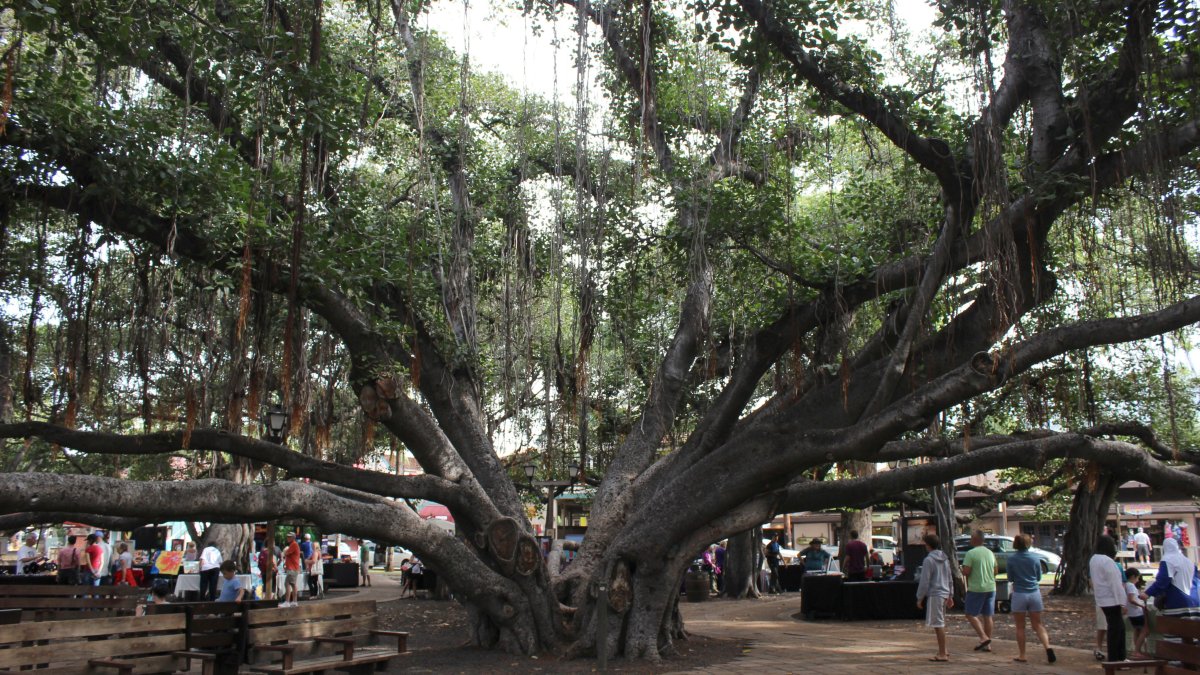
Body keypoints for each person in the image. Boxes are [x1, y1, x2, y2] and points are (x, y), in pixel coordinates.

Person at [1008, 534, 1055, 664]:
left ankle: (1022, 654)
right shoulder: (1035, 558)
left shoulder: (1012, 559)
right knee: (1038, 624)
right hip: (1034, 593)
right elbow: (1039, 577)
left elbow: (1010, 578)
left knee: (1020, 627)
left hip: (1019, 594)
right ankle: (1048, 647)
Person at [916, 533, 954, 663]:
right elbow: (949, 578)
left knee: (938, 624)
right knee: (940, 622)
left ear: (928, 545)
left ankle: (943, 652)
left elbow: (924, 580)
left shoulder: (928, 560)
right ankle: (943, 650)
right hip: (944, 593)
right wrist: (950, 594)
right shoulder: (945, 559)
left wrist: (920, 597)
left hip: (935, 593)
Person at [1090, 534, 1128, 662]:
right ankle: (1116, 658)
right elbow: (1115, 583)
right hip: (1112, 600)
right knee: (1117, 630)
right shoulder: (1107, 561)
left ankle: (1119, 657)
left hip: (1103, 599)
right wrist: (1123, 602)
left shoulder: (1094, 559)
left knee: (1116, 628)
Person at [1146, 536, 1200, 619]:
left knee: (1175, 630)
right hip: (1195, 603)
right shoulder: (1189, 562)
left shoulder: (1167, 560)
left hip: (1176, 603)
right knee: (1193, 630)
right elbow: (1197, 581)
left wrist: (1147, 593)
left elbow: (1162, 581)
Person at [960, 529, 996, 652]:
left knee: (970, 614)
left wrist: (962, 569)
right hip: (991, 587)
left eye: (971, 537)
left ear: (975, 539)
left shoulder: (971, 553)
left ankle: (983, 637)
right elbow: (995, 570)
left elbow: (966, 571)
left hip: (976, 588)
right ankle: (987, 643)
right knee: (988, 615)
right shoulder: (990, 553)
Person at [1126, 568, 1151, 658]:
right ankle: (1137, 650)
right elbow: (1131, 599)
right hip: (1137, 612)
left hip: (1131, 612)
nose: (1137, 580)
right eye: (1137, 578)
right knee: (1145, 631)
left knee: (1137, 630)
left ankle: (1137, 650)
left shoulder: (1126, 585)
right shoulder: (1131, 586)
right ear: (1133, 577)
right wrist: (1142, 606)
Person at [282, 532, 302, 607]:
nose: (287, 538)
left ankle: (287, 601)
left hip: (292, 568)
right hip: (293, 568)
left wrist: (285, 551)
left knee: (287, 584)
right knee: (293, 585)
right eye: (287, 536)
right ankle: (294, 601)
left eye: (289, 537)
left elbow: (286, 553)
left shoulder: (294, 544)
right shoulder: (293, 544)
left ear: (293, 538)